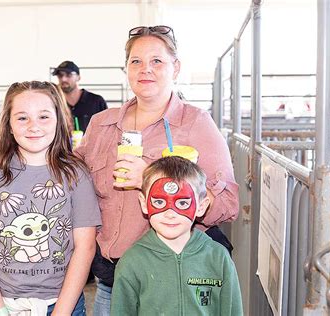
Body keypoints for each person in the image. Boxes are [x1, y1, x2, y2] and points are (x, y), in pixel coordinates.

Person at [75, 25, 239, 314]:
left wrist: (151, 180)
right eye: (136, 61)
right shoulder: (101, 124)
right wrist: (0, 193)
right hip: (111, 286)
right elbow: (65, 180)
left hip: (175, 286)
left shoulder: (196, 124)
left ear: (175, 68)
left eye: (157, 61)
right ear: (125, 68)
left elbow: (228, 205)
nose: (145, 69)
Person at [0, 81, 101, 315]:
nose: (33, 126)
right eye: (22, 118)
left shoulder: (76, 175)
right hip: (5, 302)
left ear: (59, 120)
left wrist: (61, 311)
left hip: (61, 302)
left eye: (44, 117)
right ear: (8, 124)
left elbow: (85, 247)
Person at [110, 156, 243, 315]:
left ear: (201, 206)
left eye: (182, 203)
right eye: (159, 202)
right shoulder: (132, 262)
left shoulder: (218, 258)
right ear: (144, 203)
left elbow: (232, 310)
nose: (170, 214)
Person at [53, 61, 108, 132]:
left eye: (68, 75)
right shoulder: (55, 103)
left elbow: (107, 130)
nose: (63, 79)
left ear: (78, 77)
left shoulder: (96, 101)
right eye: (60, 76)